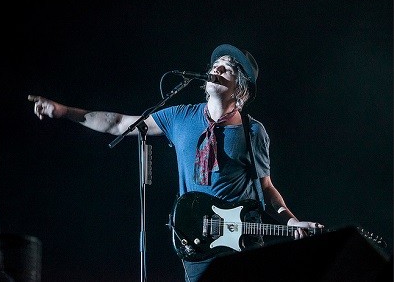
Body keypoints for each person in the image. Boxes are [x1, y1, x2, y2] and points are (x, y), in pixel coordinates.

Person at [28, 44, 323, 281]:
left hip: (243, 242)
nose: (218, 68)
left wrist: (292, 221)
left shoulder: (253, 131)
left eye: (229, 68)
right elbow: (119, 123)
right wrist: (63, 110)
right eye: (216, 64)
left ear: (240, 88)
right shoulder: (180, 116)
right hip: (196, 240)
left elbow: (266, 188)